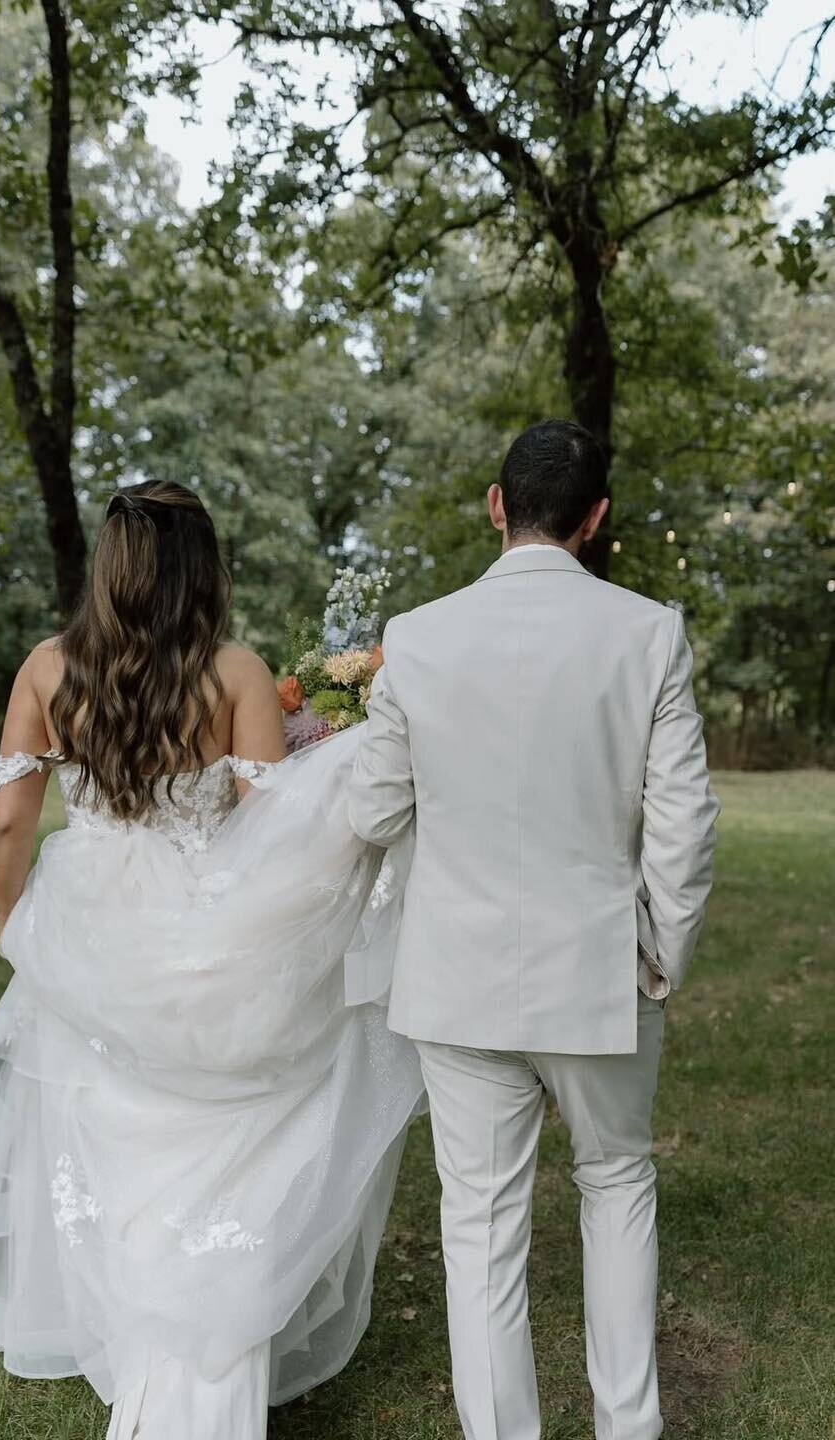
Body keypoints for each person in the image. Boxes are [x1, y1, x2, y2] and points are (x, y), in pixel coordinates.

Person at [0, 480, 424, 1439]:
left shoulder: (46, 667)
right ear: (205, 567)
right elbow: (276, 841)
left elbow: (6, 820)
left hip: (89, 927)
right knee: (224, 1135)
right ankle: (206, 1331)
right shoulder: (235, 672)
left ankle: (144, 1331)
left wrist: (15, 925)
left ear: (111, 563)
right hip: (209, 929)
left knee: (111, 1126)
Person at [348, 419, 721, 1440]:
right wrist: (659, 953)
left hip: (456, 979)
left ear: (493, 505)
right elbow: (683, 826)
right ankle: (626, 1428)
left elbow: (372, 814)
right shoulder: (647, 632)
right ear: (594, 520)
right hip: (600, 970)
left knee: (476, 1226)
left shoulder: (418, 638)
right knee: (614, 1183)